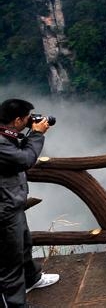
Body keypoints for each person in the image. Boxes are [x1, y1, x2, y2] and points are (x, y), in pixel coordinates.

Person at [0, 98, 60, 307]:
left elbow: (18, 154)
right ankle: (17, 304)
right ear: (17, 120)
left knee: (24, 245)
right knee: (10, 260)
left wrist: (28, 134)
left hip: (11, 202)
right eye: (26, 119)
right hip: (4, 208)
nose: (29, 121)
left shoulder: (6, 133)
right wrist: (36, 134)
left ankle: (33, 279)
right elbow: (25, 159)